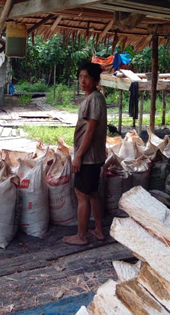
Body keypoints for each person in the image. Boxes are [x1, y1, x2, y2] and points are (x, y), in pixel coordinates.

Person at [63, 62, 107, 246]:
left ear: (95, 80)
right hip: (93, 155)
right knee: (92, 193)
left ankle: (81, 236)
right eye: (81, 76)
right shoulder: (93, 98)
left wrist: (79, 155)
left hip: (88, 156)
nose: (82, 80)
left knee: (81, 194)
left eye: (87, 77)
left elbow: (90, 130)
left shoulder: (94, 99)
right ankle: (98, 229)